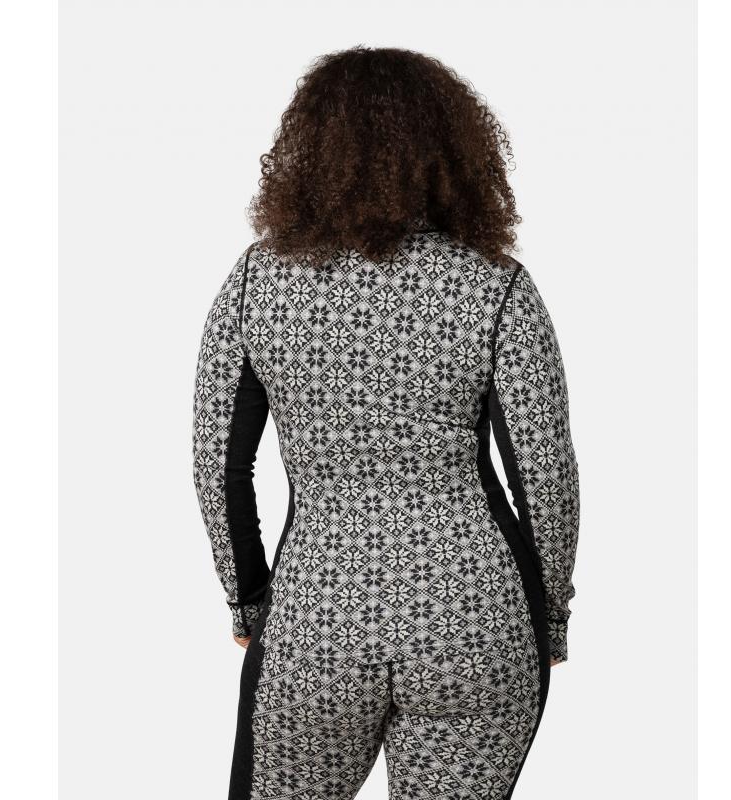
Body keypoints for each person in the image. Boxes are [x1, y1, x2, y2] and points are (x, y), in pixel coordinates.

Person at [192, 45, 580, 800]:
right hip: (476, 620)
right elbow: (546, 473)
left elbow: (218, 464)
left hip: (315, 622)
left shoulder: (256, 281)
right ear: (454, 148)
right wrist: (551, 618)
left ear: (309, 147)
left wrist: (247, 599)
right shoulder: (496, 284)